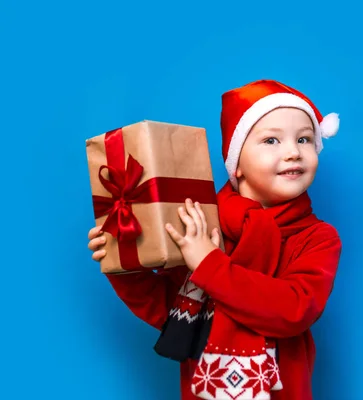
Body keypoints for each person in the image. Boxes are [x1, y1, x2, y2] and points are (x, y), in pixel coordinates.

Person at [87, 79, 342, 400]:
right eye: (272, 140)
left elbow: (294, 308)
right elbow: (167, 309)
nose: (293, 152)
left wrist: (209, 264)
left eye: (304, 139)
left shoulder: (317, 238)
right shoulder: (201, 224)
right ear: (236, 166)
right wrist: (124, 266)